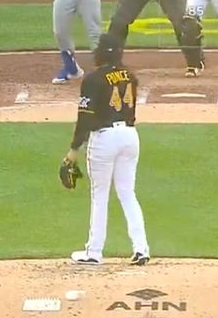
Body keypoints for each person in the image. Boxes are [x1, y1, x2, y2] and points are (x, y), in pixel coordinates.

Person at [65, 33, 150, 266]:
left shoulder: (93, 79)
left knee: (100, 194)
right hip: (130, 136)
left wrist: (73, 151)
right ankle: (141, 248)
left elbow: (85, 119)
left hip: (105, 138)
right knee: (127, 192)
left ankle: (94, 252)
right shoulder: (131, 77)